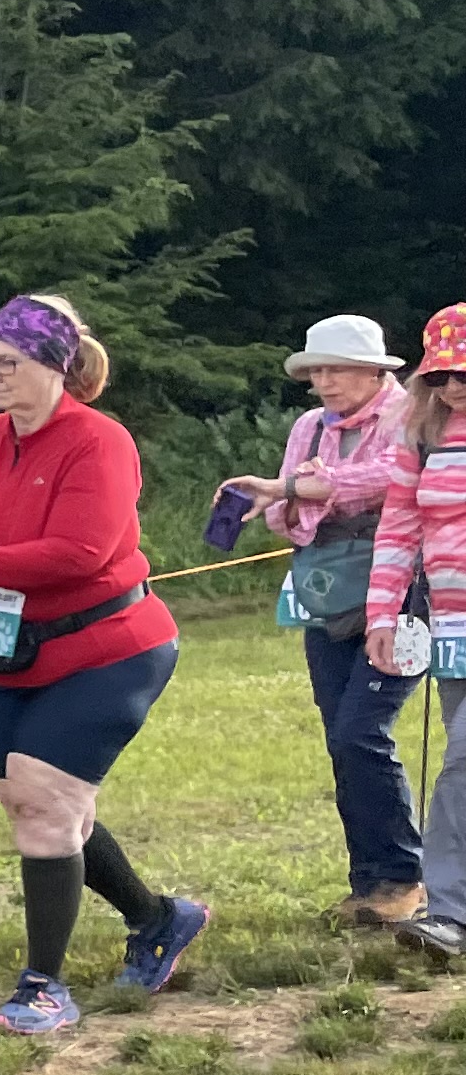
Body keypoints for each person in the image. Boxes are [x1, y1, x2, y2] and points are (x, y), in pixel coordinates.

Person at [0, 298, 203, 1032]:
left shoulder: (100, 441)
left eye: (9, 363)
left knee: (41, 805)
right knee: (41, 807)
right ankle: (160, 918)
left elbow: (78, 553)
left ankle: (43, 990)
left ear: (57, 365)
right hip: (5, 650)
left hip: (108, 648)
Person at [224, 316, 414, 927]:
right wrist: (287, 499)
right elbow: (286, 511)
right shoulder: (309, 426)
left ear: (374, 371)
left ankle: (401, 876)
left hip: (405, 592)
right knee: (340, 736)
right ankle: (368, 883)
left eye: (336, 369)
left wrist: (306, 487)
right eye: (315, 371)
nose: (324, 382)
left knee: (361, 731)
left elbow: (392, 477)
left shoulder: (412, 416)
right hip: (327, 591)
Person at [365, 308, 466, 959]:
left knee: (462, 764)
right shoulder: (422, 438)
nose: (452, 387)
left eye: (464, 375)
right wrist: (383, 616)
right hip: (451, 628)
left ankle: (451, 911)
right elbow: (399, 530)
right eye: (440, 376)